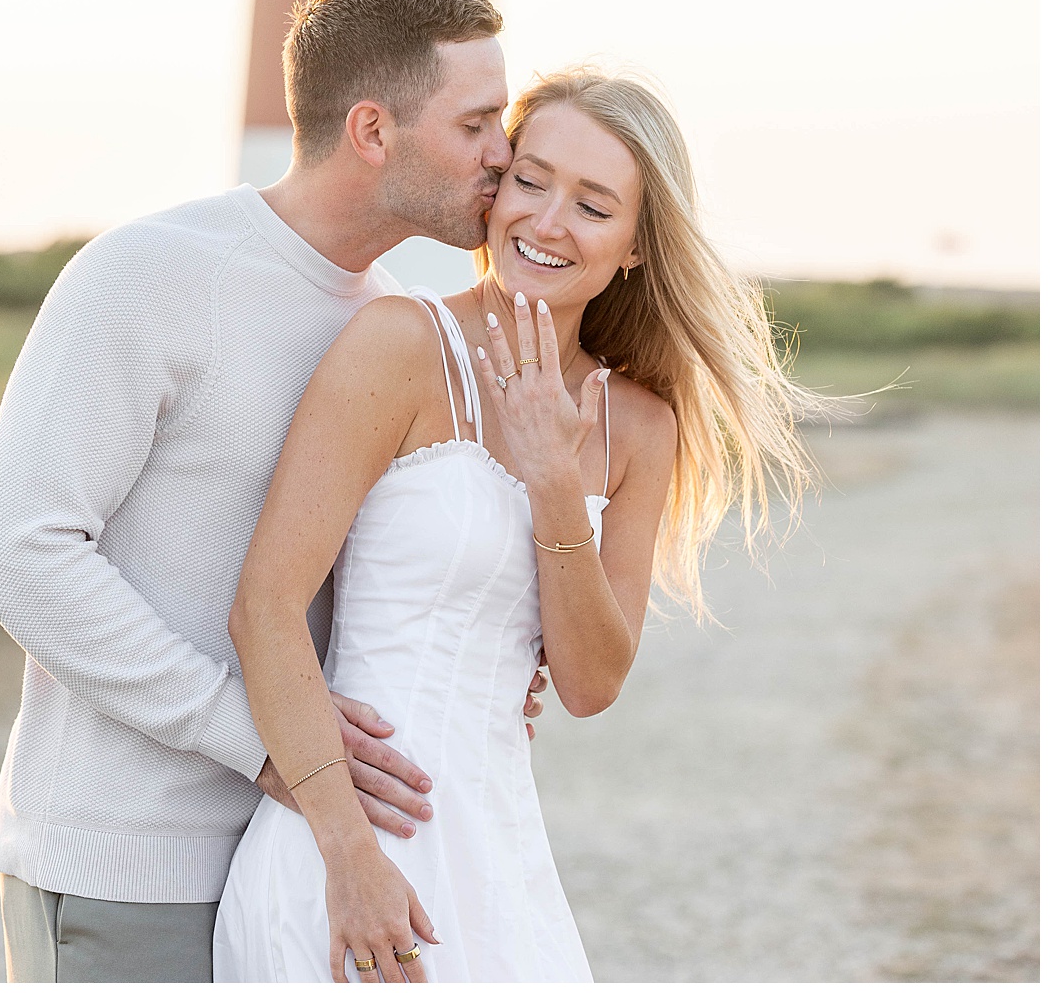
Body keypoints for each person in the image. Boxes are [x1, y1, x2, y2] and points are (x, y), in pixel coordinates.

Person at [0, 0, 556, 984]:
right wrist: (260, 740)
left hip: (299, 857)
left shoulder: (386, 322)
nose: (504, 158)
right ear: (373, 130)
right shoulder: (149, 273)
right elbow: (20, 555)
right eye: (476, 125)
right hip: (133, 863)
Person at [213, 68, 820, 983]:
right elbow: (264, 606)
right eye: (530, 180)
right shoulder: (401, 344)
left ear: (635, 249)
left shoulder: (638, 426)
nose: (544, 222)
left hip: (498, 860)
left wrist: (551, 481)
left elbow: (589, 682)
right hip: (341, 848)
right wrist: (349, 857)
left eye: (592, 204)